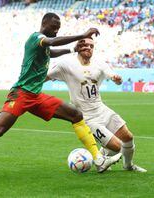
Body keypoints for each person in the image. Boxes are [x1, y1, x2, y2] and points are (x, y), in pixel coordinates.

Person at [0, 13, 121, 180]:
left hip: (35, 96)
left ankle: (98, 159)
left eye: (58, 28)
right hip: (21, 94)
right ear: (44, 24)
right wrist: (82, 35)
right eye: (54, 27)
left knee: (76, 115)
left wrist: (73, 49)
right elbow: (50, 43)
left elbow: (51, 51)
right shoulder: (36, 38)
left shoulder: (44, 45)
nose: (56, 30)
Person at [47, 38, 147, 172]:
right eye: (85, 45)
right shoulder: (66, 65)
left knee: (128, 137)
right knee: (117, 147)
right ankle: (101, 159)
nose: (88, 48)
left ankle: (128, 166)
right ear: (78, 47)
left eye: (91, 46)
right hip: (87, 117)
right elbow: (45, 77)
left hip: (101, 109)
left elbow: (113, 76)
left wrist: (117, 79)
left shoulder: (99, 63)